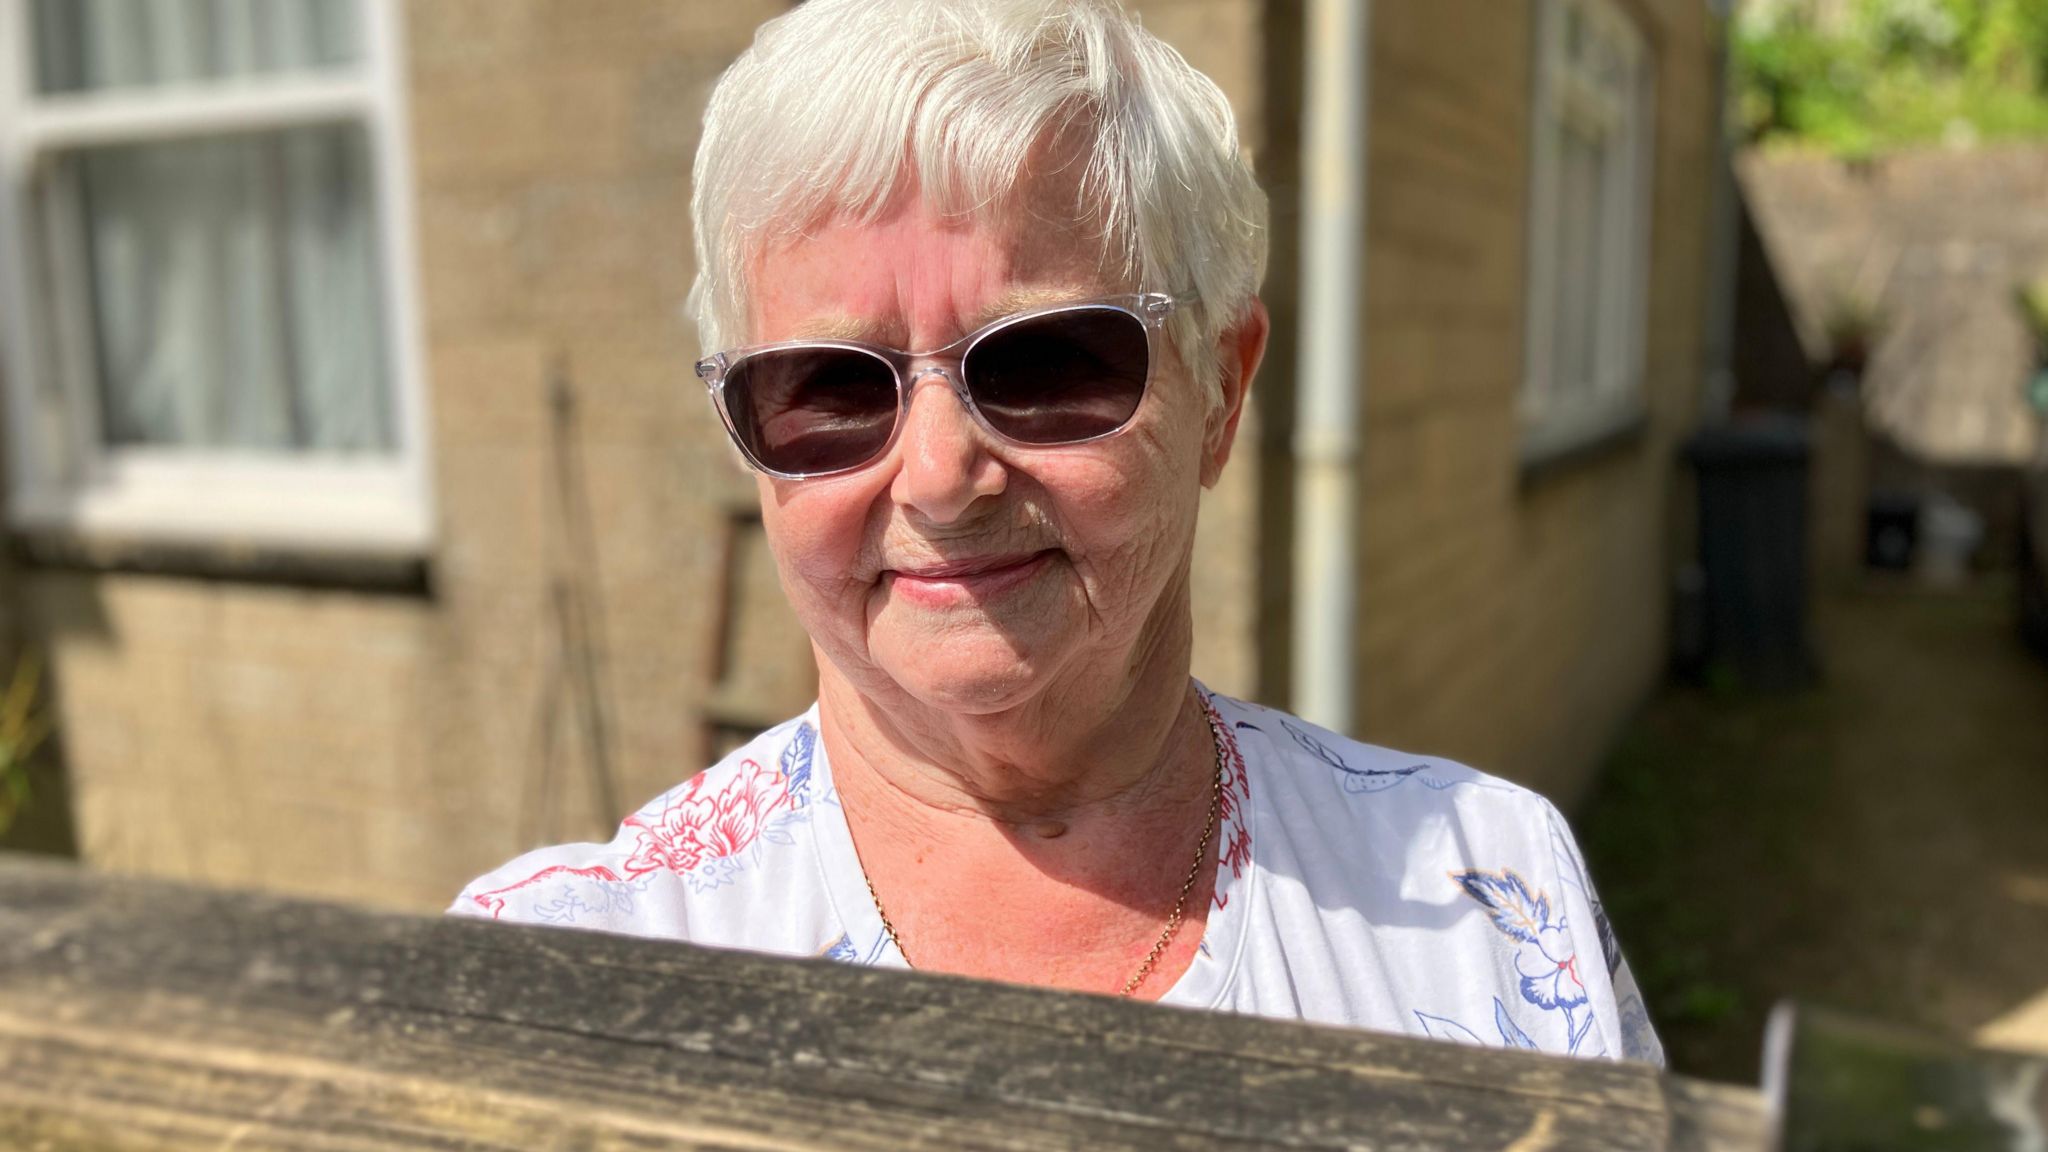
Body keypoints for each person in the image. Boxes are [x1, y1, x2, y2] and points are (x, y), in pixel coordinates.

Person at [452, 0, 1662, 1064]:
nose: (936, 478)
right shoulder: (547, 991)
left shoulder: (1493, 905)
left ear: (1220, 391)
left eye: (1044, 362)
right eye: (828, 386)